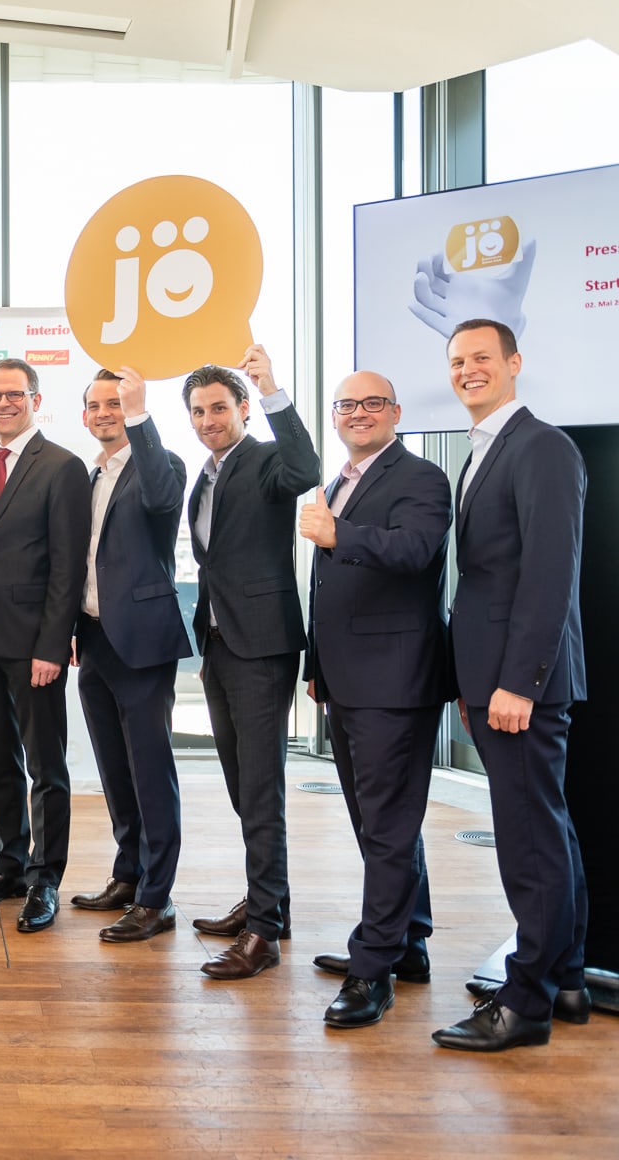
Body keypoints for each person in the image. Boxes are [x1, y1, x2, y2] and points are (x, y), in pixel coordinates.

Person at [432, 318, 589, 1052]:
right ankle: (565, 979)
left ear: (514, 362)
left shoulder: (541, 446)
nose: (468, 369)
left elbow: (550, 575)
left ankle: (524, 1003)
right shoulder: (485, 450)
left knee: (529, 842)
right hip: (493, 679)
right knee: (546, 830)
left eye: (482, 357)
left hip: (520, 684)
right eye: (457, 360)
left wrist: (519, 683)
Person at [298, 370, 453, 1028]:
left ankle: (373, 969)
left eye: (372, 403)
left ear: (395, 411)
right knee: (379, 824)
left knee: (386, 827)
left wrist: (339, 533)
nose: (358, 413)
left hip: (395, 678)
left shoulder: (420, 477)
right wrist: (317, 665)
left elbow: (415, 551)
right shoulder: (342, 481)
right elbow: (328, 586)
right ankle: (407, 942)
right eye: (347, 404)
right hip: (346, 678)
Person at [183, 345, 321, 980]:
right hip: (220, 644)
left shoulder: (265, 459)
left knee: (261, 790)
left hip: (262, 646)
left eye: (218, 408)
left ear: (241, 409)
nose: (208, 420)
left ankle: (264, 932)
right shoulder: (206, 476)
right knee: (242, 784)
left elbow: (305, 467)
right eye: (198, 411)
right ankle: (270, 903)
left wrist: (273, 392)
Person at [0, 357, 92, 934]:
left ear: (36, 400)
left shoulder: (62, 466)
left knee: (45, 765)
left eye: (15, 394)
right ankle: (10, 863)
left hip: (35, 643)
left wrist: (53, 643)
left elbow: (67, 565)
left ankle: (45, 877)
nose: (4, 403)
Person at [68, 366, 191, 944]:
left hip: (141, 641)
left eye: (114, 404)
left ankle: (156, 898)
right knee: (114, 770)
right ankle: (128, 874)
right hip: (93, 639)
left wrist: (141, 415)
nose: (104, 413)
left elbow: (163, 500)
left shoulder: (161, 464)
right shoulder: (89, 475)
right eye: (95, 405)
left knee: (150, 771)